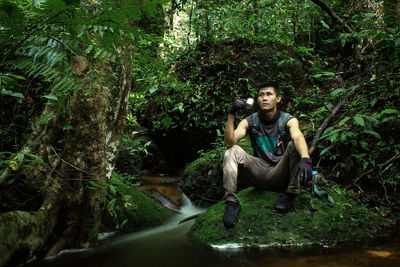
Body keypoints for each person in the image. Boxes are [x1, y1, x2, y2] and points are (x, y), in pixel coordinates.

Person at [222, 83, 313, 228]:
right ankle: (231, 202)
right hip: (259, 172)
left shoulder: (288, 119)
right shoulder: (250, 121)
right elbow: (229, 142)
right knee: (231, 151)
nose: (265, 98)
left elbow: (297, 136)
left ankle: (290, 194)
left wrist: (305, 158)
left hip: (280, 172)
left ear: (278, 98)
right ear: (257, 100)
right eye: (261, 95)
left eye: (269, 94)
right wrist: (231, 113)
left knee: (293, 145)